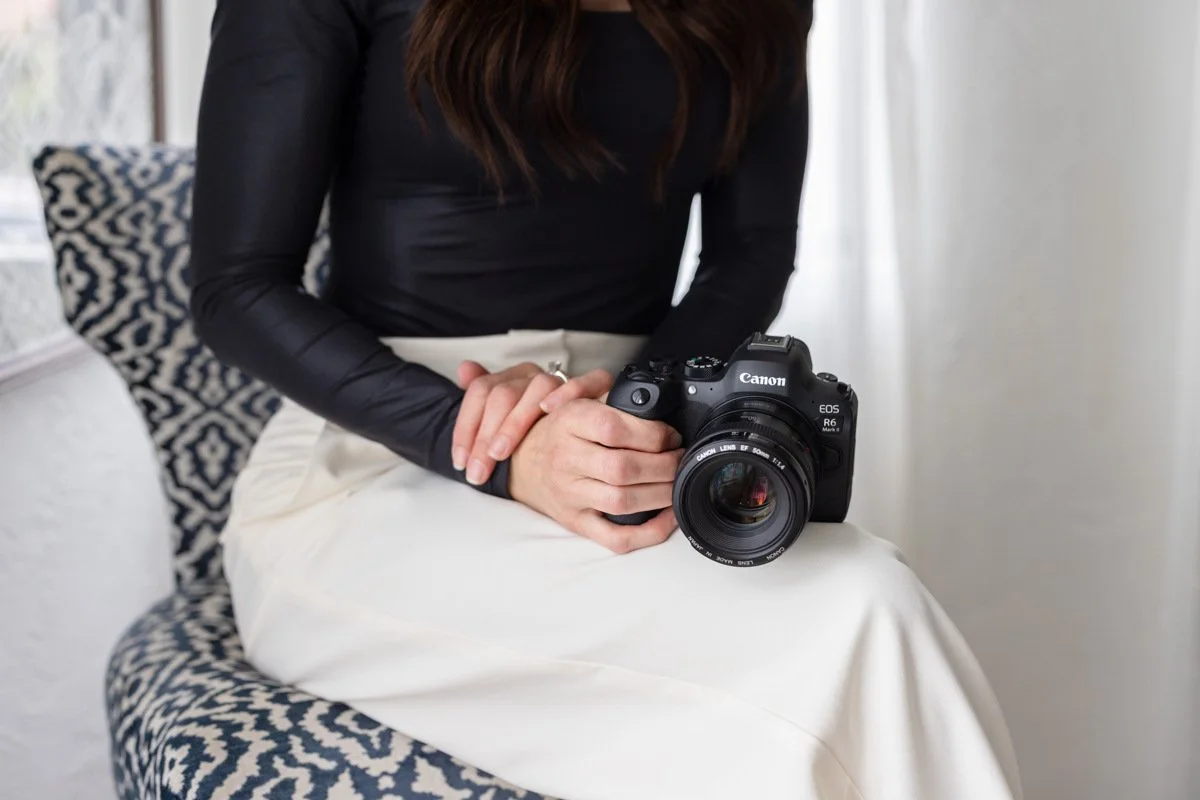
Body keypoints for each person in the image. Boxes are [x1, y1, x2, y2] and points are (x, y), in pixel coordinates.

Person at [190, 0, 1023, 797]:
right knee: (850, 638)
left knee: (872, 599)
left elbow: (753, 251)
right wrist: (495, 446)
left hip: (642, 433)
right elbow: (236, 289)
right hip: (374, 454)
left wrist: (630, 406)